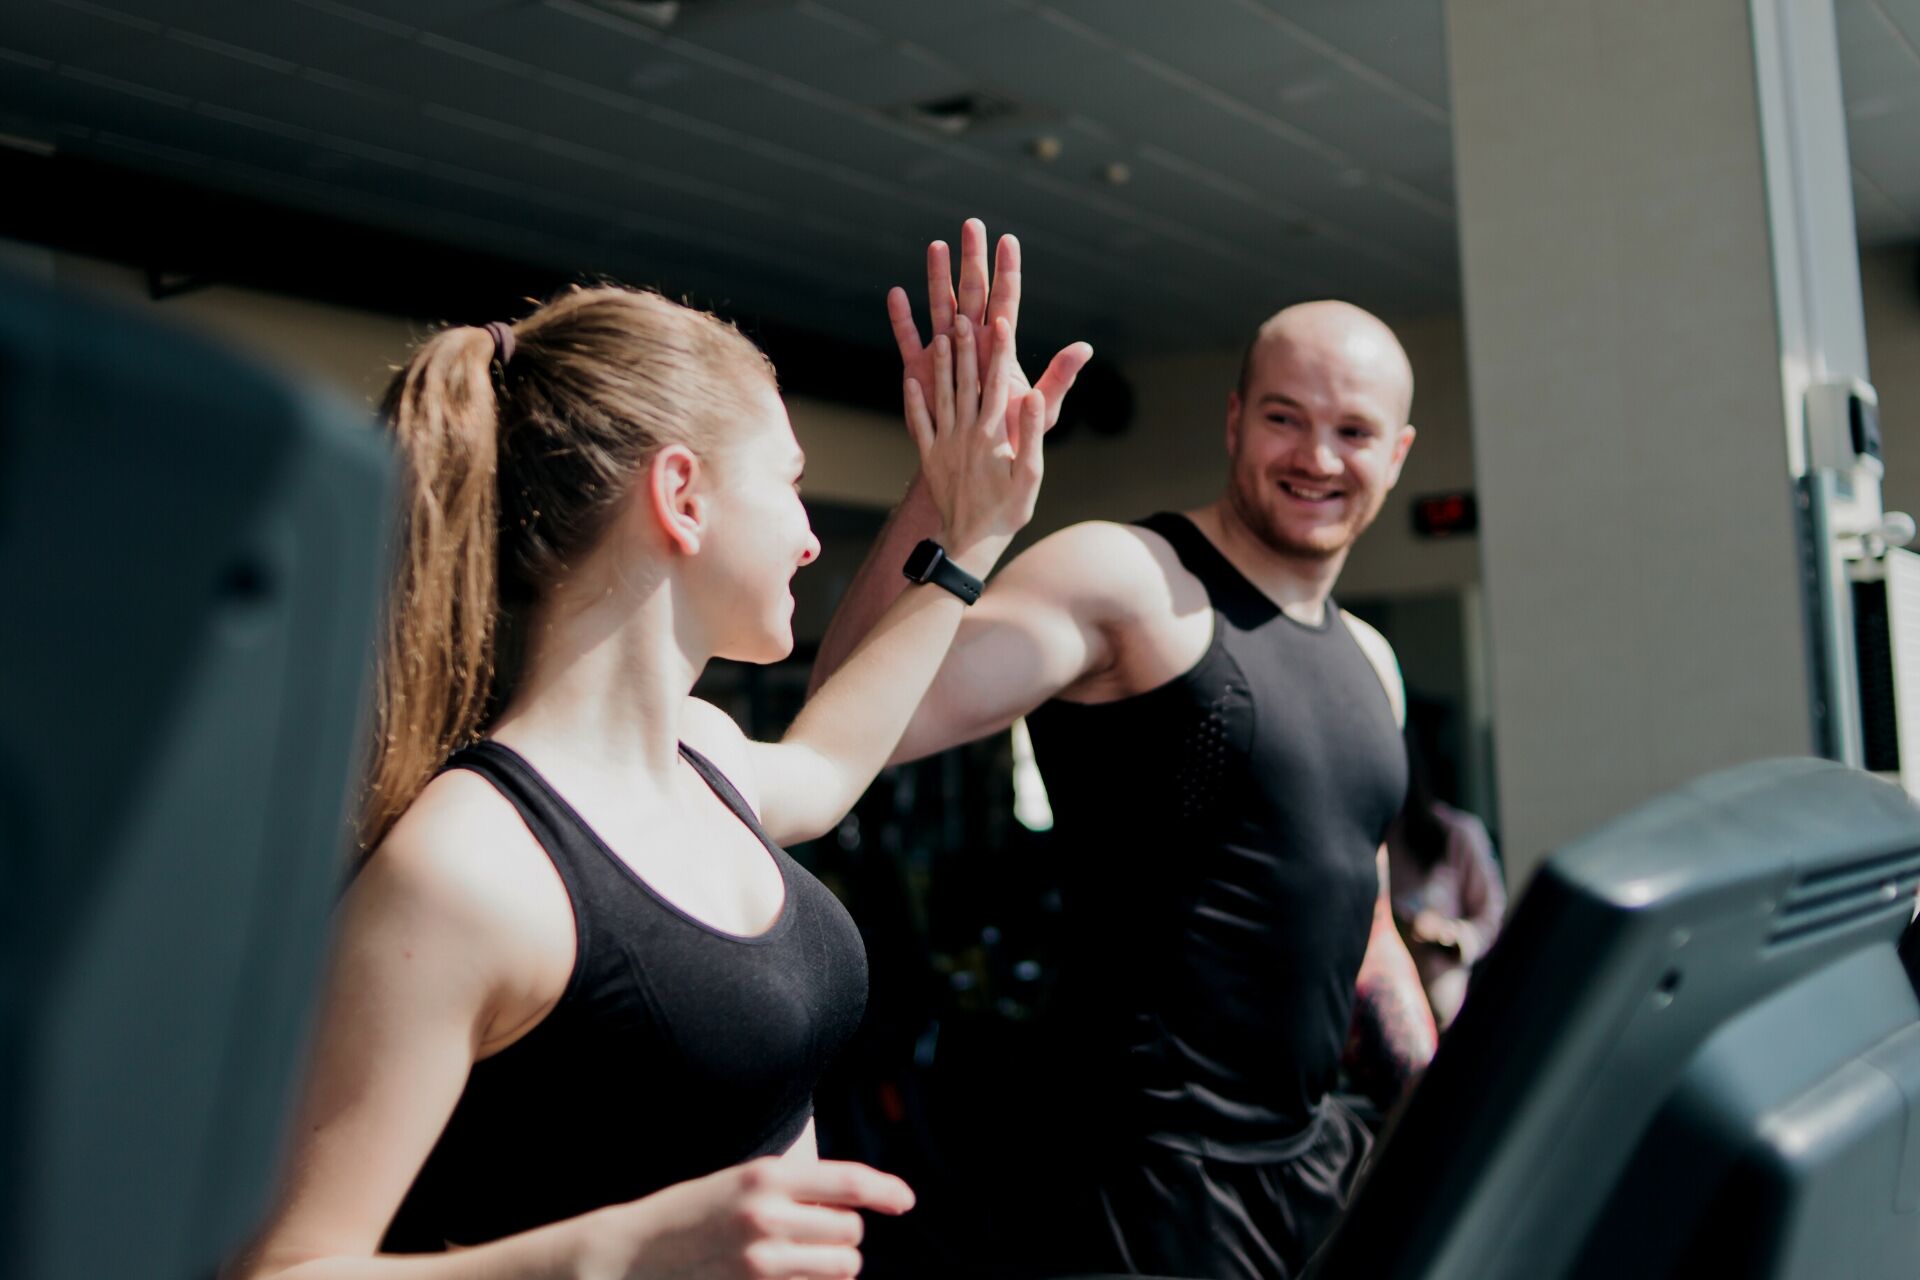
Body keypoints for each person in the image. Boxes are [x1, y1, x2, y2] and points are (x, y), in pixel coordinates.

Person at [226, 282, 1066, 1279]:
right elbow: (282, 1268)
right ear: (681, 495)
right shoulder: (467, 868)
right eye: (788, 481)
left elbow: (833, 759)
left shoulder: (704, 754)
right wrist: (620, 1251)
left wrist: (971, 534)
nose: (808, 533)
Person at [811, 221, 1440, 1280]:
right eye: (1286, 418)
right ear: (1236, 420)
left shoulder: (1370, 659)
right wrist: (951, 503)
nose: (1318, 458)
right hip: (1140, 1189)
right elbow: (851, 721)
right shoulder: (1128, 580)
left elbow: (1359, 914)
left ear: (1399, 453)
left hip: (1316, 1172)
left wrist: (1442, 1103)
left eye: (1353, 430)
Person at [1385, 741, 1506, 1031]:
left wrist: (1446, 935)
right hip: (1393, 1014)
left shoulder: (1459, 834)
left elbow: (1492, 918)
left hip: (1446, 1011)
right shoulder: (1376, 842)